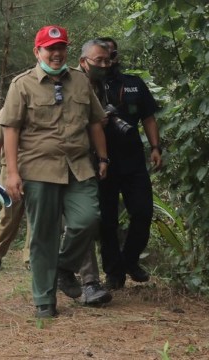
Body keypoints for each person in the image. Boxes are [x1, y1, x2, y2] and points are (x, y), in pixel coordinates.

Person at [0, 26, 109, 318]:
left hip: (78, 166)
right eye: (50, 48)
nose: (57, 53)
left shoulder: (81, 81)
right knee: (43, 235)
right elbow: (10, 129)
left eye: (61, 47)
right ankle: (44, 300)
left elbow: (96, 122)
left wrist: (104, 158)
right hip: (38, 168)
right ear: (38, 52)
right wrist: (12, 172)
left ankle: (63, 266)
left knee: (87, 219)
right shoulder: (22, 85)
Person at [96, 37, 162, 289]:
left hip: (133, 159)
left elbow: (148, 117)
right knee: (107, 220)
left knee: (143, 212)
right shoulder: (86, 85)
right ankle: (114, 272)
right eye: (102, 56)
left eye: (111, 55)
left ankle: (130, 260)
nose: (107, 61)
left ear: (116, 56)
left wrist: (155, 147)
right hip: (102, 161)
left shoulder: (133, 84)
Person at [73, 39, 115, 305]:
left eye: (106, 60)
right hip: (64, 161)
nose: (102, 65)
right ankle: (86, 281)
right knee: (80, 222)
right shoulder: (71, 82)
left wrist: (102, 157)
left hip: (89, 160)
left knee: (87, 220)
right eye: (97, 60)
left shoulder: (101, 85)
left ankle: (87, 280)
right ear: (83, 61)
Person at [0, 113, 31, 270]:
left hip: (37, 168)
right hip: (10, 168)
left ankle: (30, 259)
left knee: (36, 216)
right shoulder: (8, 109)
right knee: (9, 216)